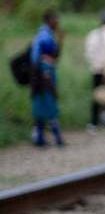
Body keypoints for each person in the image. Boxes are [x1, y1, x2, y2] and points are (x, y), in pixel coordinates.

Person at [30, 10, 64, 147]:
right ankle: (57, 138)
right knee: (50, 104)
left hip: (39, 76)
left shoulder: (42, 34)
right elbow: (53, 56)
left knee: (40, 106)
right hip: (45, 75)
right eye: (55, 19)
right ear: (49, 20)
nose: (57, 22)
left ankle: (40, 138)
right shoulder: (45, 37)